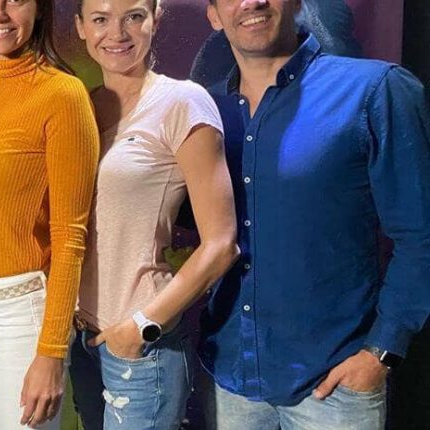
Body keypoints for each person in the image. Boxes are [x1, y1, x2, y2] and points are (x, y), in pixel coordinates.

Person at [197, 0, 430, 429]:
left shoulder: (373, 90)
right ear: (213, 14)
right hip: (231, 377)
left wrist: (382, 350)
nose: (251, 2)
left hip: (336, 385)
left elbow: (421, 234)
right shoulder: (204, 112)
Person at [68, 0, 238, 429]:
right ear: (81, 27)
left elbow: (221, 244)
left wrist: (141, 327)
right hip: (82, 339)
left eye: (134, 17)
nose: (117, 33)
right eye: (101, 19)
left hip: (142, 348)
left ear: (155, 20)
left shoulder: (181, 102)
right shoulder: (81, 105)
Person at [0, 0, 99, 428]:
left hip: (22, 319)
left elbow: (71, 236)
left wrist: (51, 351)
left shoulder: (62, 94)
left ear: (40, 10)